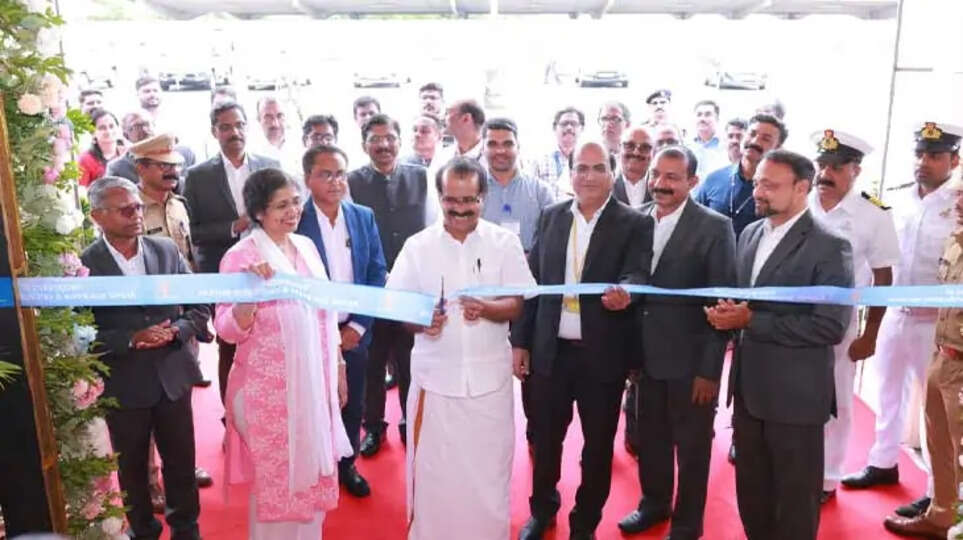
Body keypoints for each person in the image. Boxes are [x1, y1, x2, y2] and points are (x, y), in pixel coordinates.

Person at [706, 149, 854, 540]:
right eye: (757, 182)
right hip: (749, 391)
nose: (759, 191)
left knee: (794, 502)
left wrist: (751, 320)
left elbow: (829, 326)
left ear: (802, 188)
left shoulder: (830, 246)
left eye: (771, 185)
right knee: (752, 494)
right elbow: (744, 301)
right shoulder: (752, 233)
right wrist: (726, 314)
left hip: (796, 399)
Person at [387, 156, 536, 540]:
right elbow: (398, 307)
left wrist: (488, 309)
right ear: (440, 197)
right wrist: (423, 320)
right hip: (435, 384)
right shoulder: (417, 246)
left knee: (489, 478)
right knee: (436, 481)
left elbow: (518, 303)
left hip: (489, 385)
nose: (460, 209)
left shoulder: (504, 242)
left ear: (483, 197)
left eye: (469, 200)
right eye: (451, 200)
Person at [513, 141, 653, 540]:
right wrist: (521, 342)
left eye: (597, 168)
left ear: (612, 172)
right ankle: (542, 511)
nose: (588, 176)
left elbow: (639, 274)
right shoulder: (552, 216)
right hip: (549, 352)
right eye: (580, 168)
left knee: (597, 448)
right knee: (545, 438)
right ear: (569, 172)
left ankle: (585, 523)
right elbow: (533, 284)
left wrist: (628, 292)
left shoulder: (635, 222)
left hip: (602, 356)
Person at [214, 168, 352, 540]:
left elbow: (326, 312)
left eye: (295, 201)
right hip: (264, 393)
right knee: (278, 484)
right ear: (259, 212)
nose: (292, 211)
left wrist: (338, 368)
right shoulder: (241, 256)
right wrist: (249, 300)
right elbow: (225, 328)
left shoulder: (305, 247)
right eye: (281, 206)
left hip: (313, 385)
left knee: (310, 482)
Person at [841, 122, 963, 519]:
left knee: (935, 411)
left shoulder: (958, 201)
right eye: (920, 154)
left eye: (934, 156)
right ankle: (882, 461)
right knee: (886, 392)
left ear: (953, 160)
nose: (923, 163)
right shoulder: (892, 200)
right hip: (896, 312)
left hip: (937, 321)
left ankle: (937, 491)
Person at [618, 146, 737, 539]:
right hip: (643, 359)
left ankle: (687, 524)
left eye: (672, 177)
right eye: (657, 175)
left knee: (692, 450)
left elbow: (723, 303)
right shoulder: (636, 220)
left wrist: (709, 369)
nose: (661, 184)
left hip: (690, 364)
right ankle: (654, 504)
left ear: (692, 182)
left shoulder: (714, 227)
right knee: (650, 440)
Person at [82, 176, 209, 540]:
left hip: (172, 376)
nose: (136, 214)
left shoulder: (166, 250)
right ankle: (144, 531)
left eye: (138, 206)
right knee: (132, 470)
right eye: (125, 209)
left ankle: (186, 529)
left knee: (181, 463)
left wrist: (179, 330)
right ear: (97, 216)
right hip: (124, 383)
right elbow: (78, 334)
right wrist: (129, 340)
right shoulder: (83, 265)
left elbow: (199, 304)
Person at [805, 129, 900, 503]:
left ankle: (828, 477)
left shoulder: (872, 213)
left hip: (840, 321)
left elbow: (883, 275)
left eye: (835, 167)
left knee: (837, 399)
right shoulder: (800, 198)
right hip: (791, 315)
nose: (825, 173)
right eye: (821, 164)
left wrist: (871, 332)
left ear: (855, 170)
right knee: (793, 390)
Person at [296, 144, 387, 498]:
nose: (335, 182)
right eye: (325, 174)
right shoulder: (294, 220)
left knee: (354, 400)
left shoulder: (362, 216)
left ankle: (346, 464)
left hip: (354, 330)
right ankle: (314, 466)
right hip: (310, 331)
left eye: (340, 174)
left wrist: (359, 326)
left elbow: (377, 273)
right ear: (308, 179)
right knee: (313, 399)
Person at [184, 101, 279, 407]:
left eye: (239, 125)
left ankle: (269, 406)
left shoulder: (270, 166)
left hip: (271, 269)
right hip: (225, 271)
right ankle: (231, 417)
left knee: (272, 342)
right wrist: (232, 227)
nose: (234, 132)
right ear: (214, 132)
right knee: (229, 344)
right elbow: (193, 232)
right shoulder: (198, 176)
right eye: (225, 127)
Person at [883, 176, 963, 539]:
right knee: (939, 446)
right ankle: (941, 516)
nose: (958, 203)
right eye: (959, 194)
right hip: (942, 355)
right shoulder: (955, 242)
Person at [347, 113, 431, 456]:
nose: (383, 145)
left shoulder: (421, 176)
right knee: (373, 359)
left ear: (400, 140)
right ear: (364, 144)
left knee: (411, 360)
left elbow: (431, 227)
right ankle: (374, 427)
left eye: (390, 138)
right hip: (372, 287)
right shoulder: (352, 181)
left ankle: (410, 424)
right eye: (375, 139)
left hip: (412, 286)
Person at [695, 113, 787, 238]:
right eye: (752, 134)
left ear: (778, 148)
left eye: (765, 139)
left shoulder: (781, 191)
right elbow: (694, 223)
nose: (755, 141)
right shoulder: (714, 179)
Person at [480, 117, 555, 252]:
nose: (500, 151)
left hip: (529, 269)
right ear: (482, 149)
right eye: (492, 144)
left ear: (518, 147)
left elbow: (552, 240)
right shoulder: (473, 191)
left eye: (508, 144)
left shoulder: (541, 192)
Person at [107, 110, 196, 187]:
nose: (145, 130)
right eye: (137, 126)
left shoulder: (184, 153)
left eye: (147, 124)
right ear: (126, 135)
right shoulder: (117, 168)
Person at [531, 107, 584, 197]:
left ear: (581, 128)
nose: (569, 128)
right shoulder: (540, 161)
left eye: (574, 124)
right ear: (555, 127)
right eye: (564, 124)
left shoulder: (587, 159)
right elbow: (531, 194)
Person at [254, 96, 302, 176]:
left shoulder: (299, 147)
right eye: (268, 117)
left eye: (279, 116)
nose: (275, 123)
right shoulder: (252, 152)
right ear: (259, 119)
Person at [79, 108, 126, 187]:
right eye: (102, 128)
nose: (108, 131)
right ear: (92, 133)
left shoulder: (127, 153)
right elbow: (82, 191)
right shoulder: (85, 160)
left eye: (111, 126)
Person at [612, 126, 654, 209]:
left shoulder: (660, 187)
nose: (636, 153)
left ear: (653, 152)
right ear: (619, 148)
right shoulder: (605, 185)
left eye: (645, 147)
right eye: (630, 146)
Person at [690, 100, 728, 178]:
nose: (702, 119)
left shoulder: (725, 145)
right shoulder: (687, 145)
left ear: (717, 119)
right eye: (699, 115)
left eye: (707, 115)